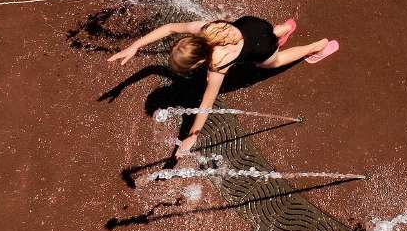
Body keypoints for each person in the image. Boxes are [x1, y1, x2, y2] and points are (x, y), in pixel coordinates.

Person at [108, 16, 339, 154]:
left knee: (272, 62)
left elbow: (207, 101)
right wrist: (134, 46)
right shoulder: (204, 29)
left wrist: (193, 135)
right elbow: (169, 28)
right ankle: (282, 29)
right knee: (266, 33)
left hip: (260, 46)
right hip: (253, 24)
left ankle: (316, 46)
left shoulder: (218, 65)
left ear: (199, 61)